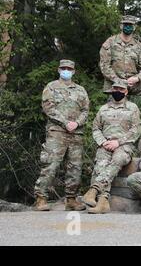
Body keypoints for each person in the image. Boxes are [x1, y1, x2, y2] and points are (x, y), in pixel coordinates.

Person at [34, 60, 89, 211]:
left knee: (75, 167)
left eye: (69, 68)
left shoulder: (80, 90)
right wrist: (66, 123)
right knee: (51, 164)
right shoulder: (51, 87)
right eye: (63, 68)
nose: (66, 70)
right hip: (57, 132)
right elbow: (48, 108)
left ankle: (71, 199)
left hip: (76, 133)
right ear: (59, 70)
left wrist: (76, 123)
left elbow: (85, 110)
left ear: (73, 71)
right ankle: (41, 198)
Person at [82, 79, 141, 214]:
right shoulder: (104, 109)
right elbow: (96, 128)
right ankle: (103, 201)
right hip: (105, 145)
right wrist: (103, 142)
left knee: (118, 159)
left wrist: (118, 142)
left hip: (124, 146)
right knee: (100, 165)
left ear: (126, 92)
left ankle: (94, 190)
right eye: (115, 89)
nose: (117, 91)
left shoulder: (133, 108)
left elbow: (136, 129)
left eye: (121, 89)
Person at [99, 15, 141, 129]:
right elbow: (104, 65)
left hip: (133, 83)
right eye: (126, 25)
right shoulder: (110, 43)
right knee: (114, 116)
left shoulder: (138, 46)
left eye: (130, 25)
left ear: (134, 27)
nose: (128, 27)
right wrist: (117, 80)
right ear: (121, 26)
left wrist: (137, 78)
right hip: (115, 84)